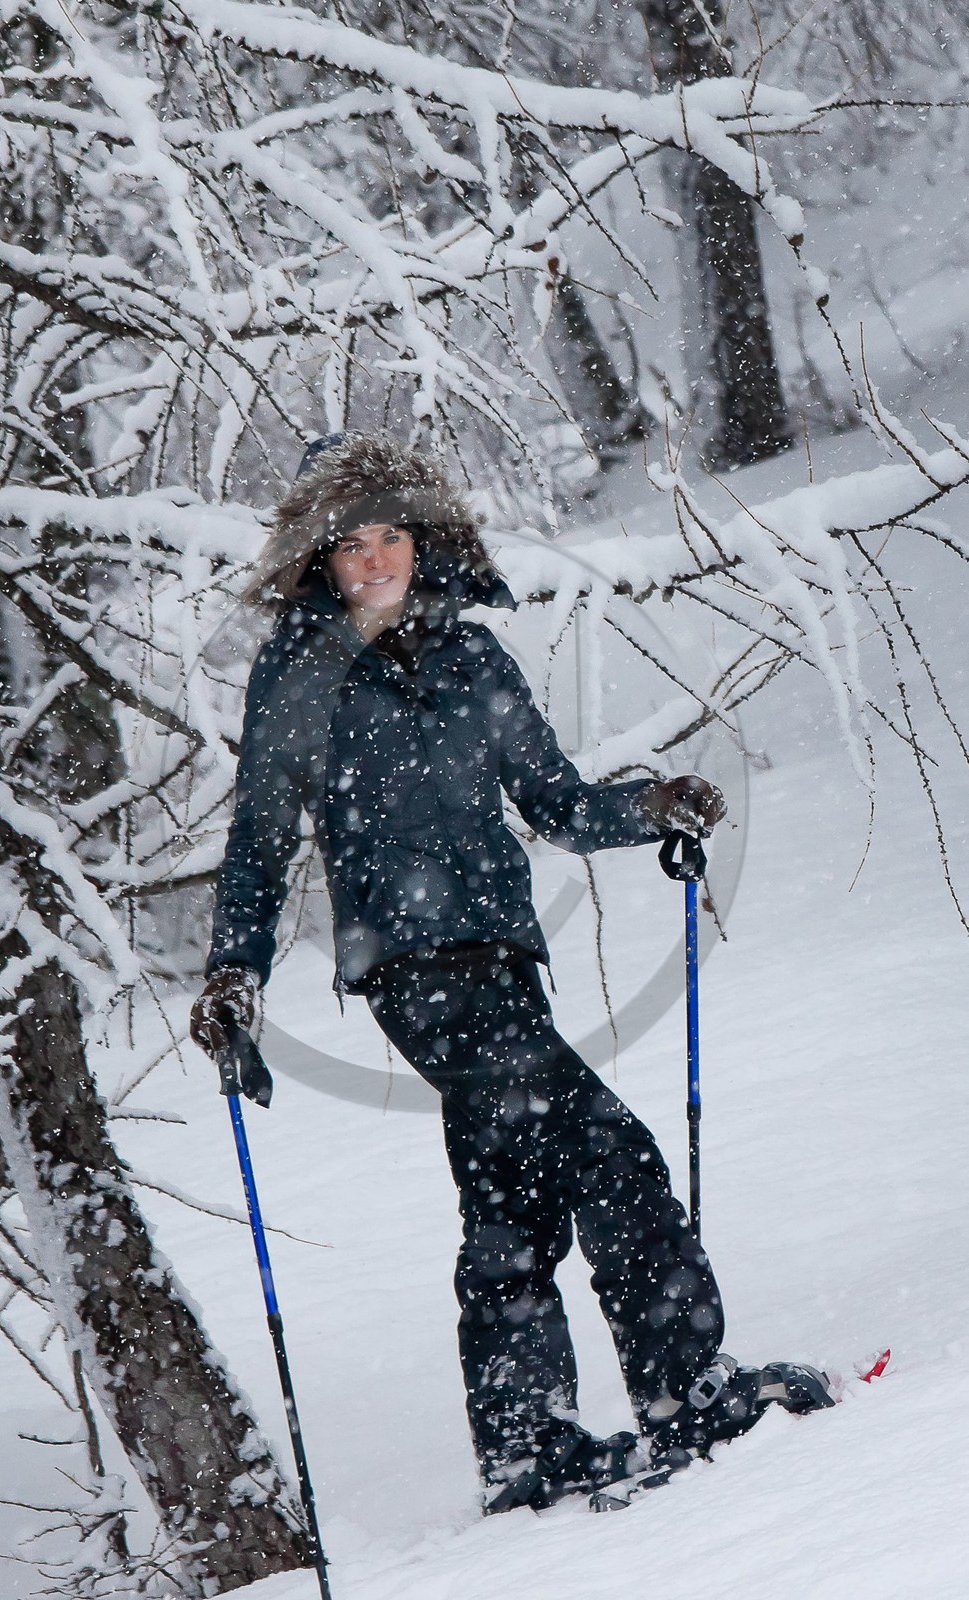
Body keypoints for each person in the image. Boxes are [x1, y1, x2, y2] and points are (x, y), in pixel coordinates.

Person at [191, 433, 832, 1514]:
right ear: (320, 559)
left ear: (421, 539)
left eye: (390, 534)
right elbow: (259, 843)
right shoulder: (297, 680)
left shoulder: (474, 660)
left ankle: (525, 1445)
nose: (374, 558)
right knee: (609, 1153)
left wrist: (651, 808)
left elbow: (557, 805)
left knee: (512, 1200)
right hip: (411, 970)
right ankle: (685, 1390)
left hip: (501, 959)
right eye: (351, 543)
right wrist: (233, 977)